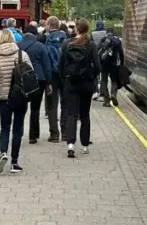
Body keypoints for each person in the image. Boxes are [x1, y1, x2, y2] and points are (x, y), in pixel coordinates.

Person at [0, 29, 34, 173]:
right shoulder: (21, 54)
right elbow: (30, 73)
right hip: (20, 96)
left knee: (4, 127)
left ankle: (3, 153)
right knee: (18, 128)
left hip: (4, 97)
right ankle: (14, 162)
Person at [59, 18, 100, 159]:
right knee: (85, 114)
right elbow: (97, 66)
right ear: (88, 29)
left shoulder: (66, 44)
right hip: (86, 84)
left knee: (71, 114)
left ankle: (70, 144)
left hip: (71, 83)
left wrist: (65, 79)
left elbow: (60, 66)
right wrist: (91, 77)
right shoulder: (91, 45)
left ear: (76, 28)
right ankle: (84, 145)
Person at [20, 23, 52, 144]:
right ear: (35, 34)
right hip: (39, 79)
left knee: (21, 108)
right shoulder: (40, 46)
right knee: (35, 108)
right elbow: (47, 66)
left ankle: (19, 132)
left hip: (22, 79)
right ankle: (33, 135)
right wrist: (48, 82)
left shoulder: (18, 46)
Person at [44, 16, 68, 142]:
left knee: (52, 105)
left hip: (52, 76)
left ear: (48, 25)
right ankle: (65, 132)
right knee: (65, 103)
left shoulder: (47, 40)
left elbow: (46, 61)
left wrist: (47, 80)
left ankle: (54, 134)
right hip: (65, 75)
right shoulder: (67, 39)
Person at [99, 27, 124, 107]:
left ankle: (107, 100)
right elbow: (121, 53)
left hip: (104, 64)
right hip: (114, 64)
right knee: (114, 80)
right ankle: (113, 94)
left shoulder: (103, 39)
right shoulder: (117, 41)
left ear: (106, 32)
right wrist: (122, 64)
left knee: (103, 81)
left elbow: (97, 49)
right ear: (113, 33)